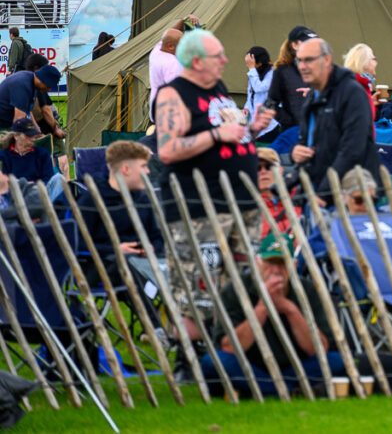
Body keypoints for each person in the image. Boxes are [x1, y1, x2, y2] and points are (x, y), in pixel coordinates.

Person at [155, 29, 273, 340]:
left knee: (239, 283)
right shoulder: (173, 94)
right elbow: (167, 149)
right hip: (199, 205)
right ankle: (188, 357)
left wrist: (252, 129)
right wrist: (217, 136)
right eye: (216, 55)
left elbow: (233, 133)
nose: (224, 60)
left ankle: (227, 347)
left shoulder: (218, 88)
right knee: (198, 288)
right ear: (196, 61)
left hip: (241, 201)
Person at [202, 233, 345, 398]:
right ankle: (286, 390)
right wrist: (263, 308)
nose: (276, 270)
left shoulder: (307, 290)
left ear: (295, 265)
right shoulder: (235, 289)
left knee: (336, 360)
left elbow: (319, 349)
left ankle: (266, 390)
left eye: (283, 264)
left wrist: (289, 309)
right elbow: (228, 347)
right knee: (212, 362)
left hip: (296, 367)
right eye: (270, 263)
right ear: (257, 263)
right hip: (250, 366)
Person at [292, 38, 379, 198]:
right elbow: (310, 142)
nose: (302, 66)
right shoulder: (313, 96)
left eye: (308, 60)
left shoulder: (352, 93)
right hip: (316, 191)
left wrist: (323, 194)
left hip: (348, 196)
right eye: (299, 60)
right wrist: (296, 153)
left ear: (326, 60)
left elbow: (352, 150)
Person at [74, 141, 164, 288]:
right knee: (129, 265)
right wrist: (117, 249)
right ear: (126, 169)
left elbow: (157, 236)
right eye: (143, 166)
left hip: (141, 262)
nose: (148, 171)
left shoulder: (142, 198)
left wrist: (151, 247)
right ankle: (151, 308)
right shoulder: (92, 199)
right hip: (102, 265)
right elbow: (77, 241)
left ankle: (160, 304)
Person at [266, 25, 318, 135]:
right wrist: (289, 121)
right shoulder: (282, 71)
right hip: (294, 134)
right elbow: (270, 103)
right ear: (294, 45)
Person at [0, 118, 63, 204]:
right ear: (16, 136)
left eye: (33, 136)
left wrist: (34, 186)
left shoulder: (42, 154)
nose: (32, 139)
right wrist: (23, 185)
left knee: (58, 178)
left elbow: (48, 179)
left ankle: (56, 213)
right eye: (28, 136)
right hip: (14, 197)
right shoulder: (4, 156)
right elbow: (4, 181)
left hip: (40, 194)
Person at [0, 64, 60, 130]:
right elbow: (19, 121)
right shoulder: (23, 85)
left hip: (7, 123)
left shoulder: (32, 81)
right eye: (48, 86)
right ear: (42, 79)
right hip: (3, 125)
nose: (49, 89)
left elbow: (28, 112)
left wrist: (37, 130)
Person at [148, 27, 185, 120]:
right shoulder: (172, 64)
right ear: (170, 46)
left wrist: (183, 20)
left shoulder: (156, 51)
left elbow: (169, 34)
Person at [244, 46, 279, 141]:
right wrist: (246, 107)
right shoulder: (254, 74)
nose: (249, 66)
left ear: (259, 63)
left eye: (251, 63)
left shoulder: (273, 74)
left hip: (270, 124)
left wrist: (251, 69)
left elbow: (259, 88)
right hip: (255, 121)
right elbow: (250, 93)